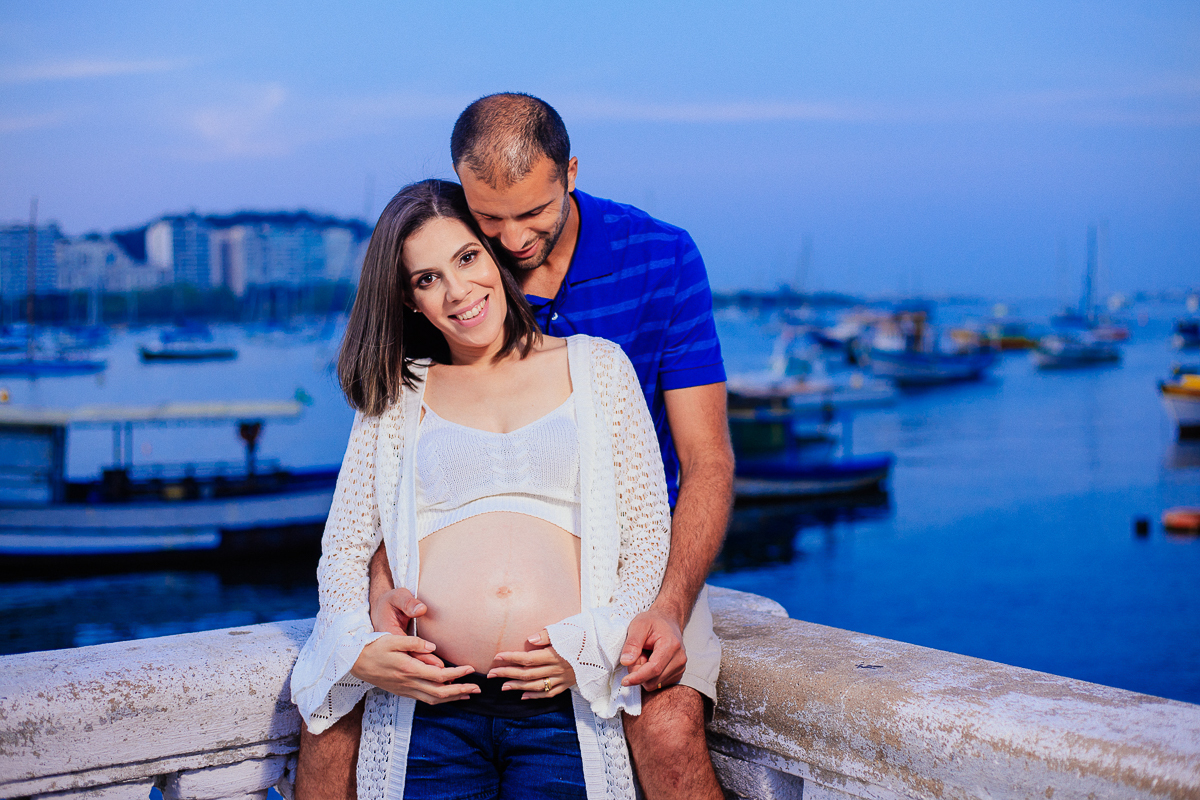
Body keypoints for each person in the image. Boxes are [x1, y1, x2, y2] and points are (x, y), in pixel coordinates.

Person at [296, 94, 734, 800]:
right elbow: (397, 475)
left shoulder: (657, 265)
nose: (513, 238)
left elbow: (706, 460)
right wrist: (379, 580)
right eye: (489, 221)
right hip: (443, 685)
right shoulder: (455, 276)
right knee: (328, 718)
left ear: (571, 174)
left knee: (665, 729)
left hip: (638, 558)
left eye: (531, 215)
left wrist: (662, 606)